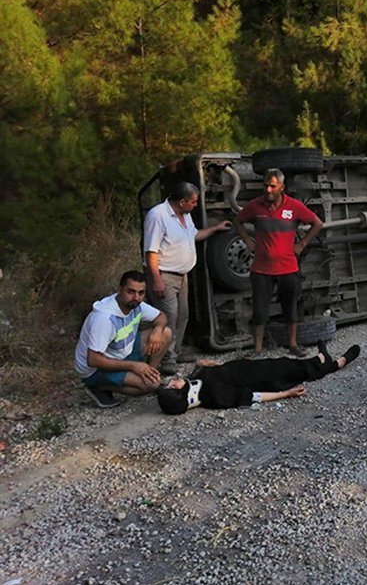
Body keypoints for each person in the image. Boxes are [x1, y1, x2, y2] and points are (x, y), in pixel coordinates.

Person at [234, 168, 325, 357]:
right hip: (261, 269)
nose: (268, 190)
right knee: (259, 311)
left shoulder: (294, 206)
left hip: (288, 268)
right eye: (266, 185)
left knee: (290, 308)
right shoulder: (255, 206)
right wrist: (247, 240)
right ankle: (257, 349)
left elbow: (318, 224)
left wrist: (302, 244)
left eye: (273, 186)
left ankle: (293, 345)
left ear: (282, 187)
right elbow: (238, 221)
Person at [144, 182, 232, 375]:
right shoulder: (158, 215)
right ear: (182, 201)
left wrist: (216, 228)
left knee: (183, 315)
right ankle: (166, 360)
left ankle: (175, 352)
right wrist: (156, 279)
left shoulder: (185, 215)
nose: (195, 204)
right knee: (168, 317)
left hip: (181, 276)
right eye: (193, 202)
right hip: (164, 275)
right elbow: (150, 251)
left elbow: (195, 235)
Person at [157, 343, 361, 414]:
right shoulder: (215, 396)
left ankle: (321, 357)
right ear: (182, 394)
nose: (174, 380)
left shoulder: (198, 381)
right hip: (265, 379)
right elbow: (253, 396)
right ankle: (336, 363)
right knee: (300, 372)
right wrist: (285, 394)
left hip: (255, 368)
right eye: (173, 385)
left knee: (288, 363)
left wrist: (203, 365)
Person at [75, 271, 173, 408]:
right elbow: (93, 360)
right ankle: (98, 387)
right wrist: (134, 366)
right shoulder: (104, 319)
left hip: (122, 353)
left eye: (141, 293)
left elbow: (161, 317)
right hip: (96, 369)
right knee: (153, 385)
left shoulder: (135, 304)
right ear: (120, 290)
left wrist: (157, 330)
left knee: (165, 333)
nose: (136, 297)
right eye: (131, 291)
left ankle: (148, 374)